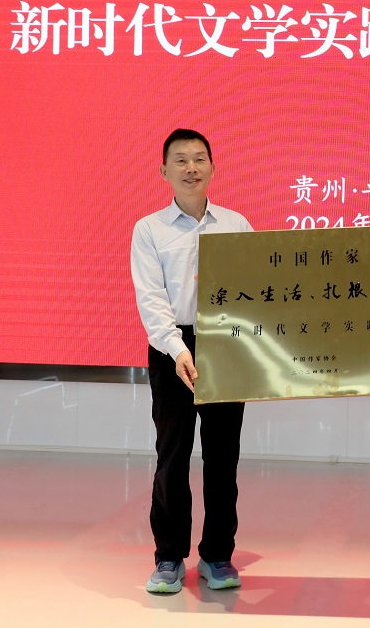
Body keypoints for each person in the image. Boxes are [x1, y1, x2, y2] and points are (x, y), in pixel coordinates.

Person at [131, 128, 253, 594]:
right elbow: (151, 299)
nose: (191, 168)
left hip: (226, 345)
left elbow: (259, 292)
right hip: (171, 348)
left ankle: (218, 556)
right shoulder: (149, 229)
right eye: (180, 160)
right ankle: (168, 557)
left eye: (200, 158)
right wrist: (179, 349)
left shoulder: (236, 225)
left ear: (213, 167)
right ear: (163, 171)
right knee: (172, 455)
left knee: (223, 457)